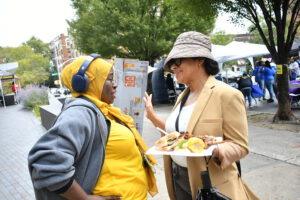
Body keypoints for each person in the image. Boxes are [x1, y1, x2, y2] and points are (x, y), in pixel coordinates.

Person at [143, 31, 258, 200]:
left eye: (178, 61)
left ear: (200, 59)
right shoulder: (183, 95)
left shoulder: (227, 95)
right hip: (177, 178)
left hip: (210, 183)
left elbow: (240, 146)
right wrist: (153, 117)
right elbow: (177, 136)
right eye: (171, 63)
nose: (173, 67)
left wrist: (212, 148)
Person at [28, 54, 158, 200]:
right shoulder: (79, 112)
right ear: (85, 83)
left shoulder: (103, 110)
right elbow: (46, 162)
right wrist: (84, 198)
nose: (115, 84)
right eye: (109, 79)